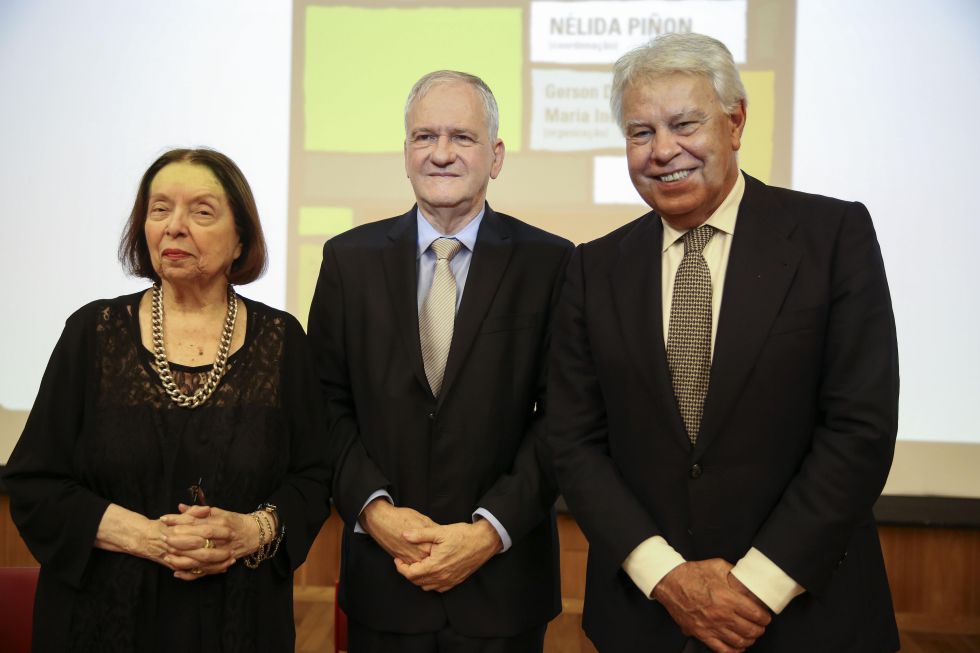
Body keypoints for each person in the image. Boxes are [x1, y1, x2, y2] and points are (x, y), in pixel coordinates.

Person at [546, 33, 899, 653]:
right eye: (640, 132)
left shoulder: (832, 236)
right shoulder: (591, 269)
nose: (663, 151)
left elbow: (860, 429)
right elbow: (573, 442)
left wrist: (757, 586)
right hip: (648, 619)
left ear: (735, 123)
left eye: (685, 124)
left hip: (808, 616)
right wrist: (668, 579)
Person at [3, 148, 333, 652]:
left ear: (241, 236)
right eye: (160, 210)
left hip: (239, 625)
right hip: (99, 624)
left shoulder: (282, 341)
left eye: (201, 211)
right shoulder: (92, 333)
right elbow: (34, 482)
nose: (174, 227)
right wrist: (146, 537)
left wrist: (250, 530)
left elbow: (314, 479)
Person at [308, 70, 572, 652]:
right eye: (425, 137)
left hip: (503, 585)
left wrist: (487, 532)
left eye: (463, 137)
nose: (442, 153)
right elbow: (323, 406)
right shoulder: (346, 262)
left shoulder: (551, 264)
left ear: (496, 156)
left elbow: (564, 418)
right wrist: (374, 513)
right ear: (405, 152)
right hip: (384, 580)